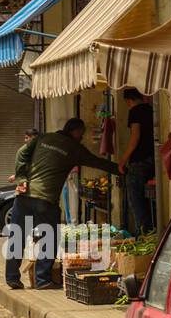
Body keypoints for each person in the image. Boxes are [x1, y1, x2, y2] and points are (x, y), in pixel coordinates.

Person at [7, 118, 120, 290]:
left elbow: (20, 154)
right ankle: (43, 280)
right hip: (45, 200)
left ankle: (12, 278)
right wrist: (121, 169)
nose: (81, 138)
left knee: (17, 236)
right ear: (75, 132)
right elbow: (97, 162)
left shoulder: (43, 138)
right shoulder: (74, 148)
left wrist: (22, 178)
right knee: (50, 237)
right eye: (81, 134)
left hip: (23, 197)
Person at [119, 86, 155, 235]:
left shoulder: (135, 111)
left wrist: (122, 161)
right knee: (149, 201)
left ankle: (144, 235)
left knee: (136, 201)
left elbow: (135, 138)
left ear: (129, 100)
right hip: (152, 161)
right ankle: (152, 233)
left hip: (139, 161)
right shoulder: (151, 109)